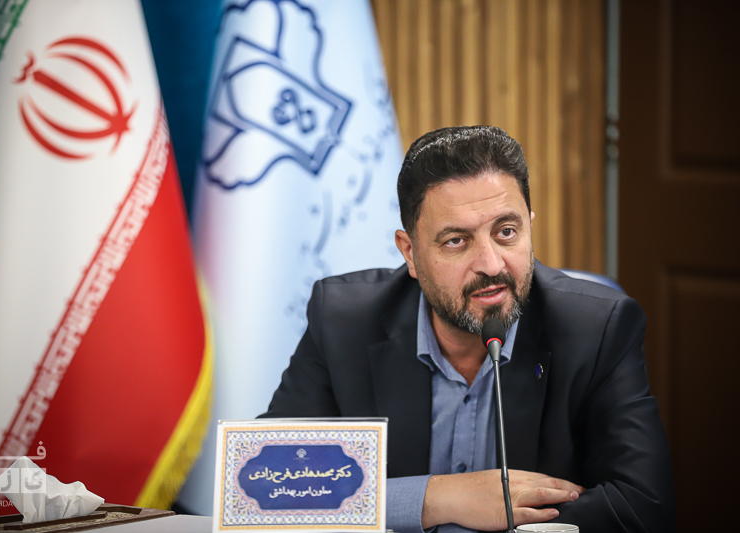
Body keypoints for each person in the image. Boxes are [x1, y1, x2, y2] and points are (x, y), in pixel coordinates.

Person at [261, 126, 675, 532]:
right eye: (456, 241)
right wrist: (438, 498)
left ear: (530, 228)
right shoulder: (343, 322)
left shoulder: (598, 329)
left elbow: (643, 507)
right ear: (410, 253)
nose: (491, 265)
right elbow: (265, 487)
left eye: (506, 232)